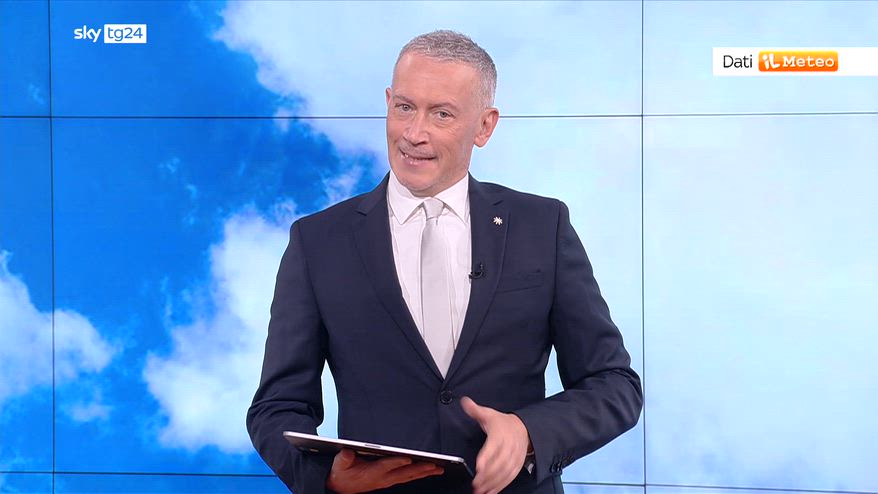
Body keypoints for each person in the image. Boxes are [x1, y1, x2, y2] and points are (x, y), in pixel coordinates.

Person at [247, 30, 642, 494]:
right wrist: (324, 476)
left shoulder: (542, 226)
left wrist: (529, 433)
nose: (414, 134)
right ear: (388, 103)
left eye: (442, 114)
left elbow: (614, 384)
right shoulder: (317, 241)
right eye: (405, 107)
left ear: (484, 126)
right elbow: (275, 406)